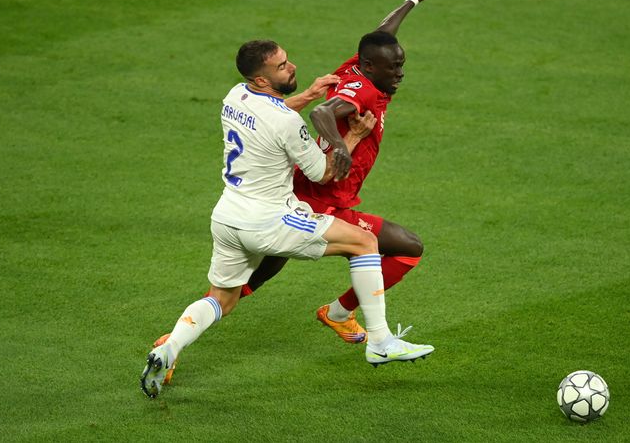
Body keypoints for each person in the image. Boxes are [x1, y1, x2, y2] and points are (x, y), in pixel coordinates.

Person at [140, 38, 433, 399]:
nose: (291, 66)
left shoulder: (235, 97)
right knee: (364, 242)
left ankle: (168, 349)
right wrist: (353, 137)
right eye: (281, 66)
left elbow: (272, 117)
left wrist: (309, 94)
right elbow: (323, 173)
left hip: (227, 217)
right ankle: (380, 340)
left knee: (223, 299)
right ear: (262, 80)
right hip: (270, 219)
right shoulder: (288, 124)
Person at [238, 0, 431, 344]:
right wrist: (342, 144)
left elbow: (382, 35)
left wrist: (411, 1)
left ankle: (187, 329)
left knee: (259, 272)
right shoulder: (364, 93)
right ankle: (351, 320)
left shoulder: (359, 67)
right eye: (395, 68)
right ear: (373, 68)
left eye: (401, 64)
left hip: (310, 191)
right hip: (321, 202)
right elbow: (323, 113)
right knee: (406, 248)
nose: (401, 73)